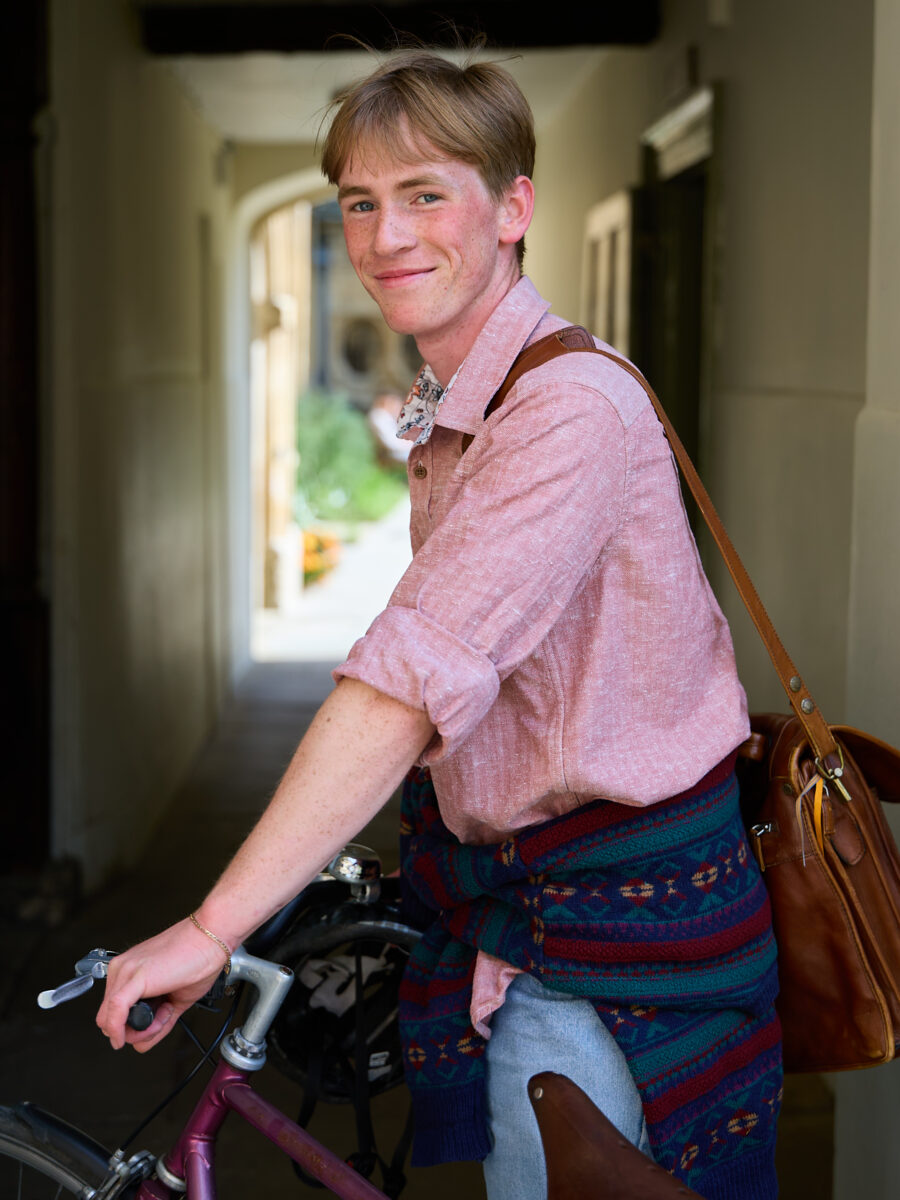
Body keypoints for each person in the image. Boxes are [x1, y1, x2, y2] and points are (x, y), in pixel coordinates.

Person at [97, 50, 781, 1200]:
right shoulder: (475, 401)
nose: (384, 236)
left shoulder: (566, 411)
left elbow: (410, 681)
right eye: (359, 202)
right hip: (531, 913)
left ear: (515, 207)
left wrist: (215, 926)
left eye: (425, 194)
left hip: (616, 951)